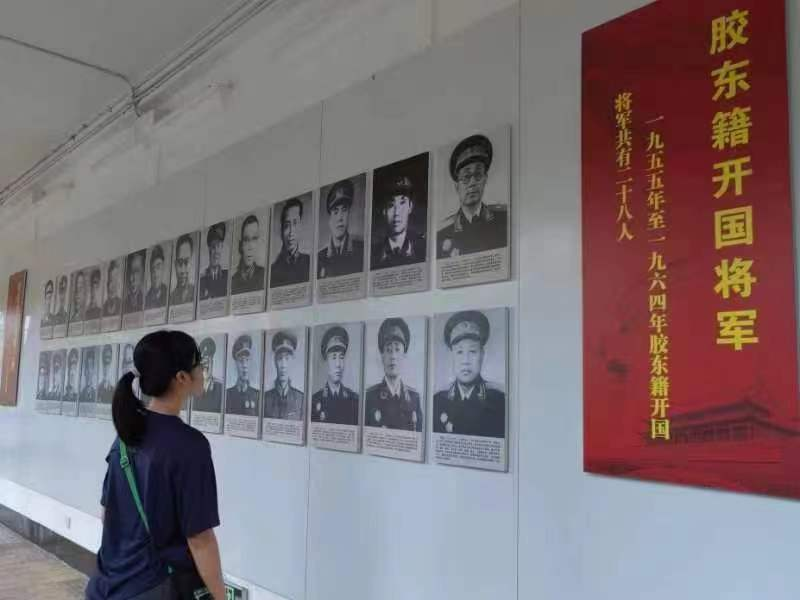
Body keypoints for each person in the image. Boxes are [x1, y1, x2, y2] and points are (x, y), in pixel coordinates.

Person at [85, 331, 226, 600]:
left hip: (108, 584)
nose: (203, 370)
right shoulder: (189, 445)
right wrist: (220, 596)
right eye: (198, 363)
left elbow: (107, 513)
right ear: (181, 377)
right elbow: (200, 540)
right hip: (154, 587)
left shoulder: (127, 434)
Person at [433, 311, 505, 438]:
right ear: (452, 356)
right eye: (459, 352)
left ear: (482, 354)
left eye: (472, 351)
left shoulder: (499, 401)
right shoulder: (438, 401)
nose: (465, 361)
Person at [437, 134, 507, 259]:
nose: (473, 182)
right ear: (457, 186)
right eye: (466, 177)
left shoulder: (503, 219)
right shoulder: (443, 232)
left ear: (485, 179)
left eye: (478, 174)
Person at [365, 318, 422, 431]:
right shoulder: (370, 397)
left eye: (397, 349)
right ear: (382, 356)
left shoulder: (414, 398)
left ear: (404, 355)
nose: (393, 356)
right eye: (388, 350)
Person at [371, 175, 426, 270]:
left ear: (410, 207)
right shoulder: (372, 255)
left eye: (402, 203)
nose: (397, 212)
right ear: (384, 210)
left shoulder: (424, 249)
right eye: (391, 205)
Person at [310, 326, 359, 425]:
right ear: (326, 362)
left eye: (341, 357)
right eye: (333, 357)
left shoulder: (354, 400)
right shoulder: (314, 401)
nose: (338, 364)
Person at [317, 180, 364, 279]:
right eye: (335, 212)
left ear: (349, 214)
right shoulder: (319, 258)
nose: (340, 218)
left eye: (344, 210)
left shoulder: (362, 250)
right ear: (329, 219)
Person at [270, 198, 311, 288]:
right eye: (287, 226)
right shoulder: (273, 270)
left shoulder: (309, 262)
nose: (291, 232)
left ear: (300, 226)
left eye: (295, 223)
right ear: (281, 231)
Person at [264, 331, 304, 420]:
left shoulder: (301, 399)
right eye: (279, 358)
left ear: (292, 361)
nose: (283, 365)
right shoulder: (265, 399)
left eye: (287, 358)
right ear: (275, 361)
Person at [225, 334, 260, 416]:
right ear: (236, 363)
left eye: (247, 360)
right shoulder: (227, 395)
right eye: (241, 361)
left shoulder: (257, 395)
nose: (244, 365)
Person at [231, 215, 266, 295]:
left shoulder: (264, 275)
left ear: (258, 243)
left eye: (254, 239)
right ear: (241, 245)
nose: (250, 247)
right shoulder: (233, 280)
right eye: (246, 240)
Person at [193, 337, 224, 413]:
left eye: (208, 360)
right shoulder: (192, 387)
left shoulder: (221, 388)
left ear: (212, 362)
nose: (206, 364)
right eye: (203, 362)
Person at [199, 223, 229, 301]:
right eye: (213, 247)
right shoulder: (201, 280)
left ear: (222, 248)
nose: (216, 252)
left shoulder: (227, 277)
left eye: (219, 246)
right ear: (209, 248)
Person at [171, 234, 196, 306]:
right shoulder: (170, 298)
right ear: (175, 265)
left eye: (186, 262)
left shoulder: (197, 292)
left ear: (191, 263)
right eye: (180, 262)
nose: (182, 270)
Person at [145, 245, 168, 310]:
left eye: (158, 267)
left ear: (163, 269)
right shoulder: (146, 299)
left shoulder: (169, 294)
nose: (155, 272)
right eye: (153, 268)